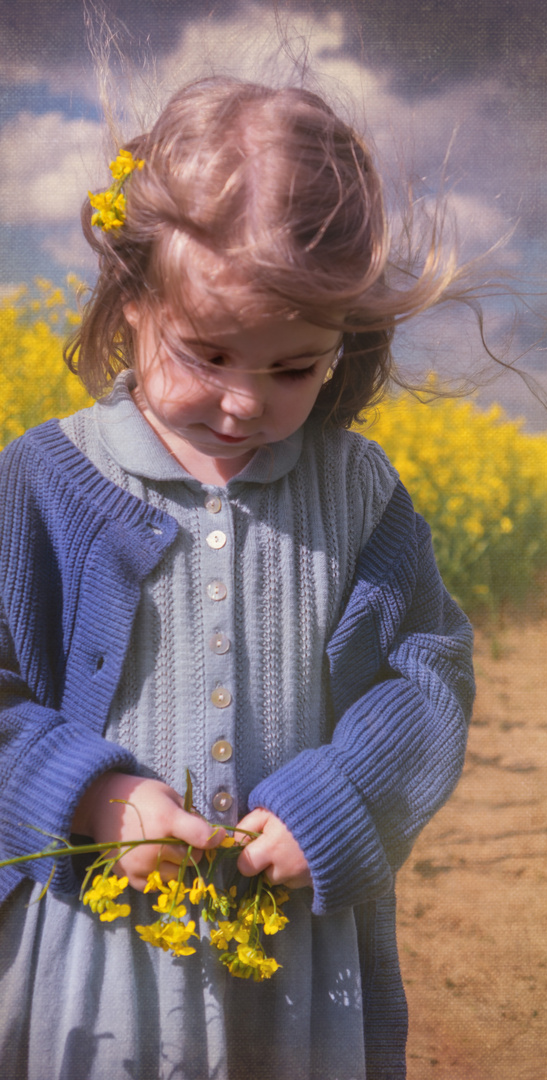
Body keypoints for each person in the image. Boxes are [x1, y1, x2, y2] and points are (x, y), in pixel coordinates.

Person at [0, 78, 475, 1080]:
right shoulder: (44, 483)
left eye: (294, 369)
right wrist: (87, 797)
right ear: (133, 307)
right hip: (103, 959)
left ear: (343, 343)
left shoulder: (358, 491)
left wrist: (342, 799)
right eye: (207, 353)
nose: (242, 402)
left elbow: (424, 674)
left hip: (293, 962)